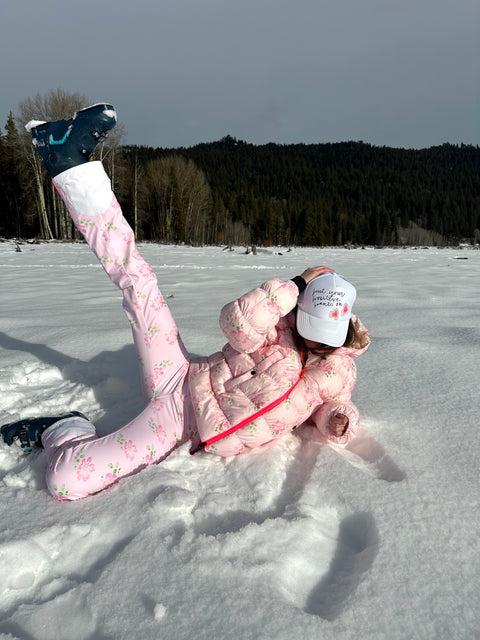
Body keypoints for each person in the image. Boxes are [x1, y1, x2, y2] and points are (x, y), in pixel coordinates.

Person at [1, 104, 370, 501]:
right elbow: (236, 324)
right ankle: (68, 161)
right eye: (309, 328)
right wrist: (296, 284)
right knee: (138, 281)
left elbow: (328, 404)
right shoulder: (277, 326)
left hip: (180, 423)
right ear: (298, 312)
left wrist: (338, 419)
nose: (317, 344)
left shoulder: (340, 372)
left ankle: (64, 429)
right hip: (179, 376)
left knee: (65, 480)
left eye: (327, 338)